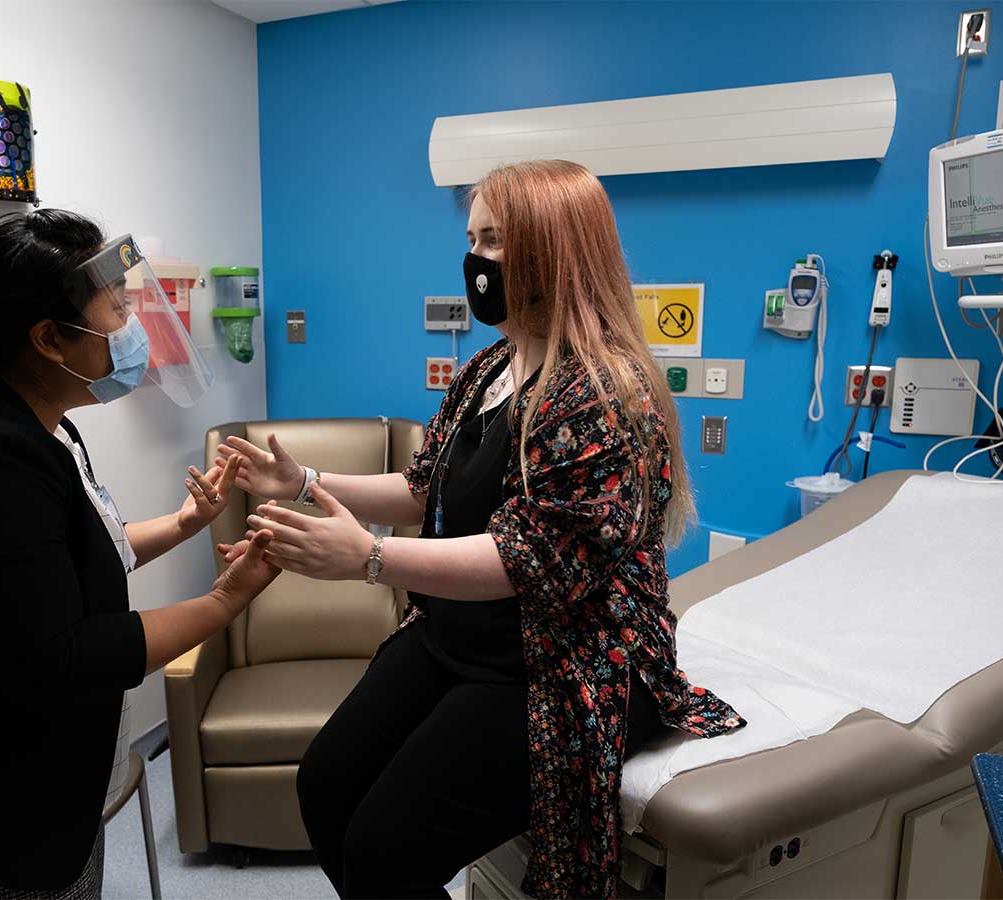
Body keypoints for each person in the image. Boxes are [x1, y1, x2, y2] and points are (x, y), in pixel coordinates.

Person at [218, 160, 744, 899]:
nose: (476, 260)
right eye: (472, 238)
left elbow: (526, 559)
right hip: (458, 637)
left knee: (383, 850)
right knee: (326, 784)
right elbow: (424, 483)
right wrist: (304, 482)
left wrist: (371, 559)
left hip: (559, 662)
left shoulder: (605, 394)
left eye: (495, 240)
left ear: (553, 249)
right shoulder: (492, 366)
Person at [0, 209, 279, 899]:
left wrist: (187, 522)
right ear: (49, 339)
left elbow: (68, 556)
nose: (132, 330)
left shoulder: (36, 422)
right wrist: (226, 599)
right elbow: (71, 652)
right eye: (117, 312)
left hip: (37, 798)